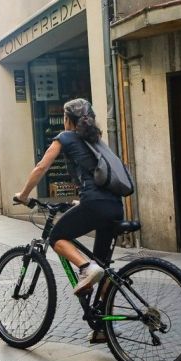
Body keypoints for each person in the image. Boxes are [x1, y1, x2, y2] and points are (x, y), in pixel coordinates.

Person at [15, 98, 123, 305]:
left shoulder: (65, 137)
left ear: (67, 119)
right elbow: (96, 177)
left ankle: (85, 268)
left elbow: (41, 168)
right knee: (103, 266)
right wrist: (81, 202)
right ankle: (103, 325)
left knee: (56, 237)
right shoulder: (96, 141)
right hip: (115, 207)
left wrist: (23, 195)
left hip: (95, 205)